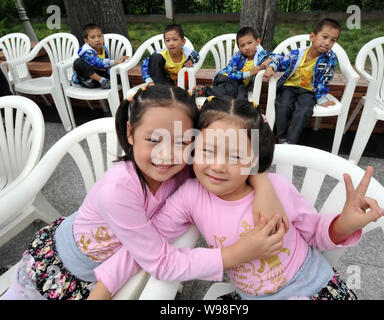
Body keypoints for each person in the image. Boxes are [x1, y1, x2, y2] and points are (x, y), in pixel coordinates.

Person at [1, 85, 288, 300]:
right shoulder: (118, 190)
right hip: (62, 269)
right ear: (129, 133)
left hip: (115, 264)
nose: (166, 154)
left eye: (182, 141)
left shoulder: (185, 164)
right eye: (153, 139)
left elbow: (230, 155)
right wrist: (238, 254)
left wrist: (261, 182)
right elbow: (160, 260)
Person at [93, 95, 384, 300]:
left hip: (312, 287)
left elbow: (317, 234)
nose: (218, 166)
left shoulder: (276, 188)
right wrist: (105, 287)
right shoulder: (189, 197)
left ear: (254, 159)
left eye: (235, 156)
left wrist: (345, 224)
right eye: (207, 150)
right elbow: (150, 245)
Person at [264, 18, 341, 144]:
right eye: (325, 37)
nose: (327, 43)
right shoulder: (297, 54)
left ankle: (290, 142)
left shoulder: (329, 59)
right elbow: (281, 60)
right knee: (283, 105)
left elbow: (325, 80)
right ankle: (281, 137)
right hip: (289, 86)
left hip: (309, 91)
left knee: (304, 110)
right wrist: (272, 66)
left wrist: (321, 98)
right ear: (312, 36)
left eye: (333, 40)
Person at [192, 26, 275, 100]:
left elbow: (280, 57)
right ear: (239, 47)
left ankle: (240, 113)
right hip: (225, 77)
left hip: (240, 83)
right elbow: (232, 73)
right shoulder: (238, 56)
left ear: (257, 41)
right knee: (232, 89)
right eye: (242, 45)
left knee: (242, 94)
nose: (247, 47)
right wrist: (250, 73)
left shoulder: (262, 56)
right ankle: (203, 90)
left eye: (249, 43)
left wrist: (270, 61)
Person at [72, 23, 129, 89]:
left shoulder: (104, 49)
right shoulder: (86, 52)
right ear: (86, 40)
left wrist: (110, 75)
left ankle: (129, 98)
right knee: (78, 62)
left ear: (103, 37)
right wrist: (116, 61)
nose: (97, 40)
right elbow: (98, 62)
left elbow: (105, 66)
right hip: (85, 79)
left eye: (99, 36)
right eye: (92, 37)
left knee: (122, 78)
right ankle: (102, 81)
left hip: (98, 76)